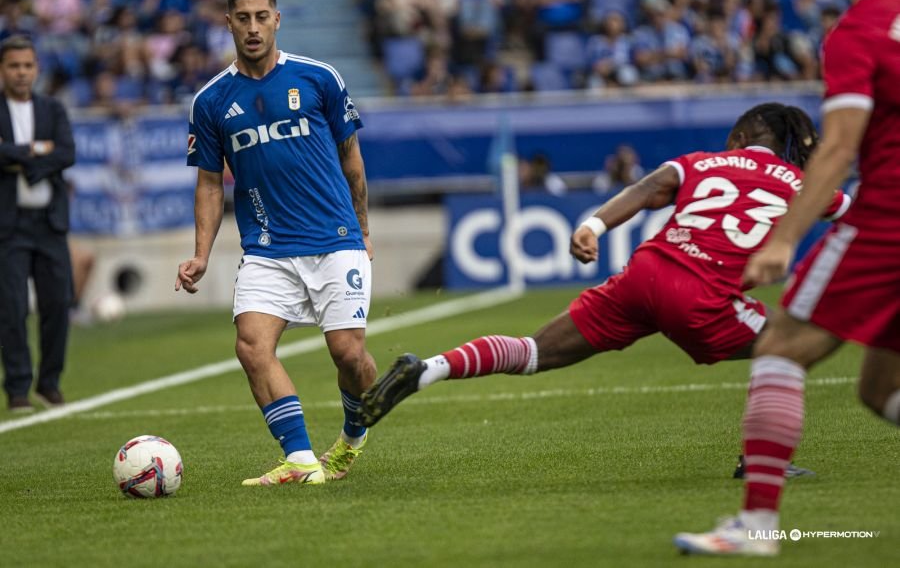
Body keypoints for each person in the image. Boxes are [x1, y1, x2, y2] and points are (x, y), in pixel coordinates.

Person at [359, 104, 850, 440]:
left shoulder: (703, 161)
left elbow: (649, 188)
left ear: (740, 138)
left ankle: (429, 369)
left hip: (646, 273)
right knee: (788, 349)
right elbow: (859, 213)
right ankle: (762, 459)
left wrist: (593, 225)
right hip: (704, 292)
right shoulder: (802, 182)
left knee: (535, 352)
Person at [675, 0, 900, 556]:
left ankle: (758, 526)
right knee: (880, 386)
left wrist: (782, 237)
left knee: (778, 347)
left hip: (887, 220)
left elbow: (837, 148)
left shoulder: (858, 30)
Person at [175, 0, 377, 486]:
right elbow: (209, 184)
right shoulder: (212, 100)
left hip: (334, 240)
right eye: (242, 18)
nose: (252, 27)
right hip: (266, 249)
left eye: (261, 16)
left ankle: (354, 432)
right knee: (251, 346)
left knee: (349, 354)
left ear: (277, 19)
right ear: (228, 23)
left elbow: (352, 161)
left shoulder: (319, 78)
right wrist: (201, 253)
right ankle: (301, 460)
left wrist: (364, 229)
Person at [0, 34, 76, 412]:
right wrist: (37, 150)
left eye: (27, 65)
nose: (21, 73)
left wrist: (19, 158)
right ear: (2, 70)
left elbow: (66, 153)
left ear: (36, 68)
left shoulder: (52, 109)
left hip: (49, 223)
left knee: (58, 305)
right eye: (14, 66)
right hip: (8, 226)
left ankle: (49, 383)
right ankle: (17, 388)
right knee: (12, 309)